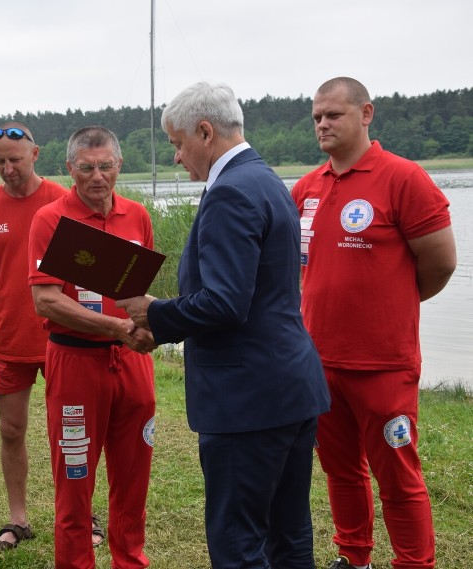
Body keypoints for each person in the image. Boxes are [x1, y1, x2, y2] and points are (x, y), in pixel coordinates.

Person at [117, 82, 331, 568]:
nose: (175, 157)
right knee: (289, 533)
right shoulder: (267, 180)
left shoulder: (230, 193)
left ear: (206, 132)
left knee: (238, 542)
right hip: (290, 388)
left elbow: (224, 303)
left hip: (248, 401)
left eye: (176, 143)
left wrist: (155, 313)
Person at [292, 77, 457, 569]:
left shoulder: (403, 177)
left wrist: (393, 303)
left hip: (383, 363)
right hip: (319, 361)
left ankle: (413, 563)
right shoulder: (306, 187)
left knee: (398, 475)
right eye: (317, 116)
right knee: (341, 471)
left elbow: (440, 263)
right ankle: (354, 558)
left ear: (366, 114)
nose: (323, 123)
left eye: (334, 114)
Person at [0, 123, 107, 551]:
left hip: (63, 339)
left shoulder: (64, 202)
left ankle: (83, 515)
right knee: (11, 430)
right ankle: (18, 520)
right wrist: (14, 300)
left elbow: (89, 268)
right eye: (0, 163)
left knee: (71, 432)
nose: (7, 169)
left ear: (36, 154)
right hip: (10, 339)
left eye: (15, 160)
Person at [28, 125, 157, 569]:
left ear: (119, 165)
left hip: (132, 365)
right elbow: (45, 299)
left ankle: (130, 560)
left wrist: (148, 327)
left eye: (105, 166)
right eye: (86, 168)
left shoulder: (138, 216)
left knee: (134, 477)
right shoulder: (51, 220)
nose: (97, 176)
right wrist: (116, 328)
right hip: (76, 362)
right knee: (75, 481)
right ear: (70, 168)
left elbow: (140, 294)